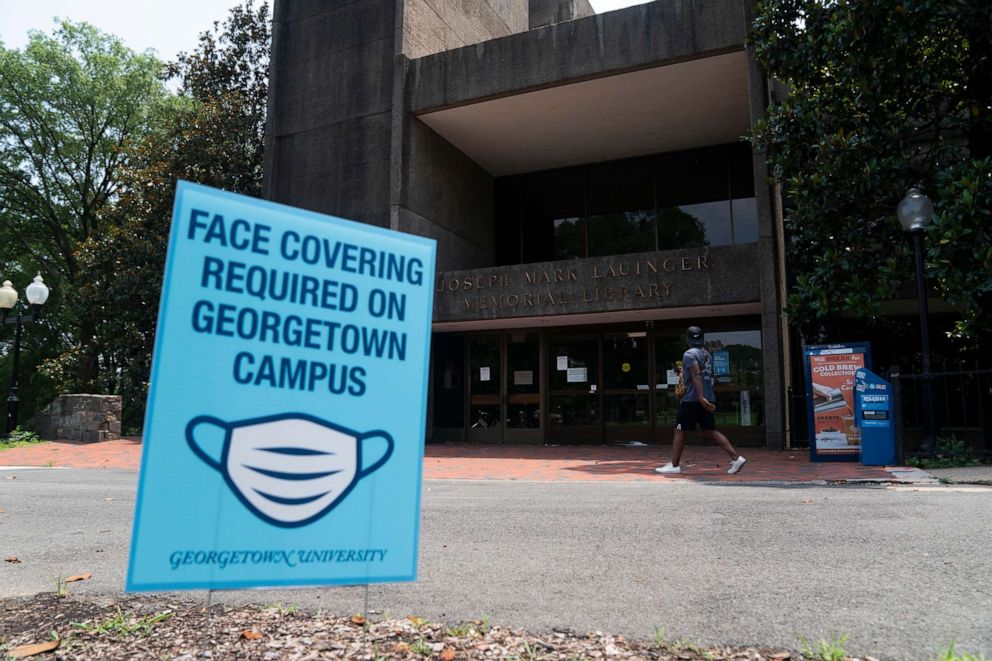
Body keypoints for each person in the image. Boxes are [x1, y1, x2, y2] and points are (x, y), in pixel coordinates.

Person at [655, 326, 746, 475]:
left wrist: (700, 397)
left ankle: (674, 465)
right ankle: (736, 458)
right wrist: (684, 374)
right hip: (708, 396)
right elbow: (700, 374)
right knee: (710, 430)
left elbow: (697, 374)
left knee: (679, 429)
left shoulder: (689, 354)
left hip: (693, 399)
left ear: (687, 339)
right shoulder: (706, 354)